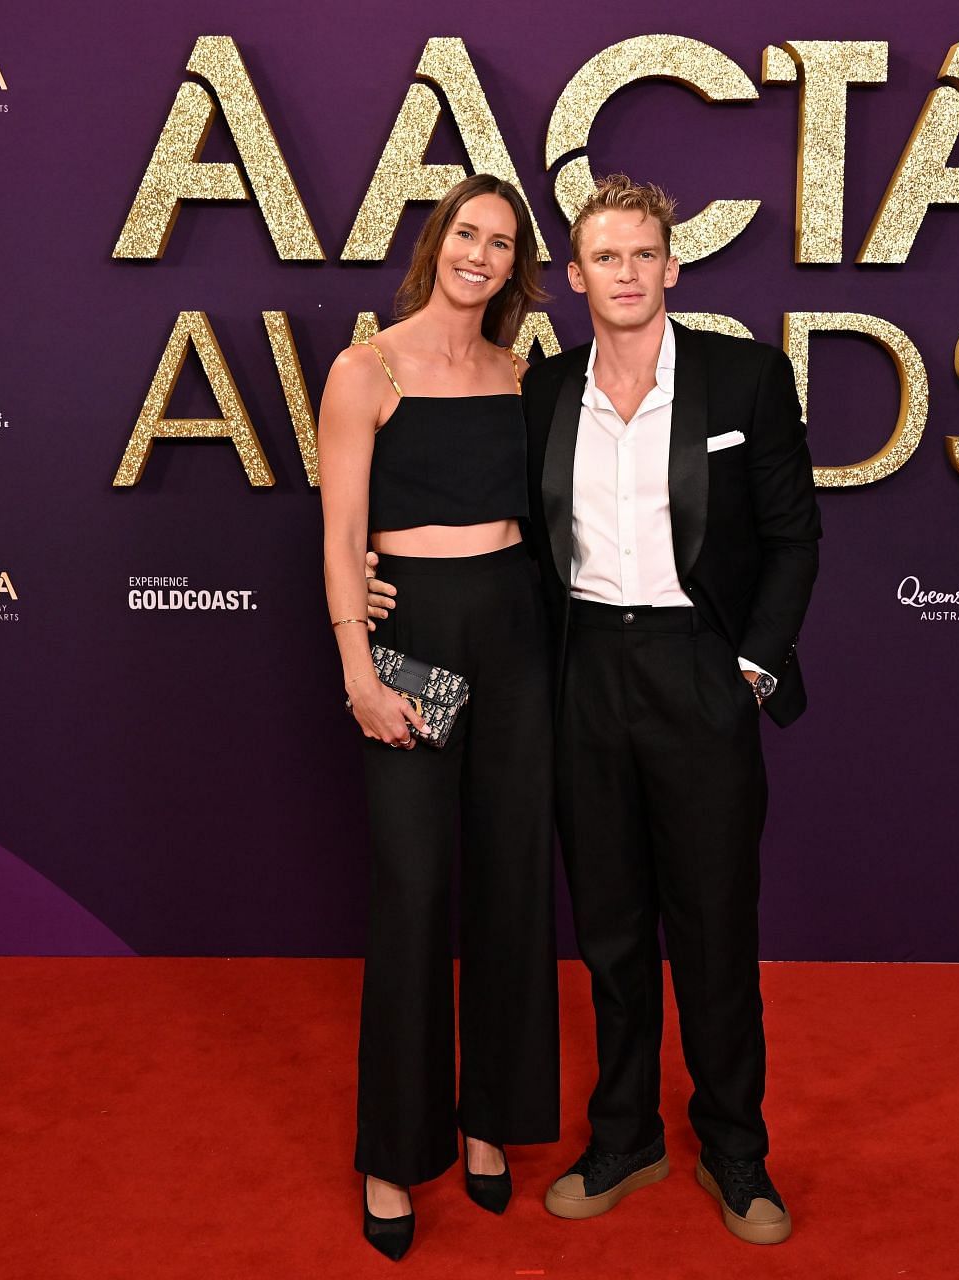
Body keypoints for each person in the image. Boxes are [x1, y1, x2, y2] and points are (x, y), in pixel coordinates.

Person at [367, 174, 820, 1245]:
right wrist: (375, 576)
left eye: (642, 254)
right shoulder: (542, 389)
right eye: (603, 258)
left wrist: (750, 666)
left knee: (715, 927)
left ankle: (735, 1147)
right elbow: (467, 496)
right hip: (580, 674)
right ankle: (624, 1133)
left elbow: (796, 536)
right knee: (611, 929)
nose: (625, 273)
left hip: (699, 664)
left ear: (674, 265)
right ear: (572, 279)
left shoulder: (747, 377)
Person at [318, 173, 559, 1262]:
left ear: (517, 266)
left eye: (501, 243)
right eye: (467, 233)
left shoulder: (521, 376)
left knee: (511, 875)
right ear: (437, 241)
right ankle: (391, 1149)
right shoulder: (365, 368)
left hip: (515, 629)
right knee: (414, 888)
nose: (480, 254)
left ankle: (488, 1121)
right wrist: (357, 668)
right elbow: (341, 532)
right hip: (410, 631)